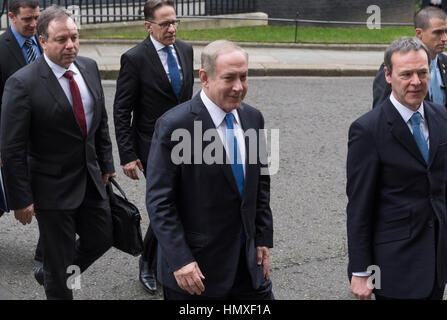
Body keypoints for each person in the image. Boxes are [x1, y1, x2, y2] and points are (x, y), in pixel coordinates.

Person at [0, 5, 116, 300]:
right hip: (51, 189)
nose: (71, 45)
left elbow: (100, 121)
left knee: (103, 236)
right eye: (61, 39)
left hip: (90, 179)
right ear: (43, 41)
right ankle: (61, 284)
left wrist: (106, 164)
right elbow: (12, 147)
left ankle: (52, 273)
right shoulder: (23, 83)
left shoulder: (88, 67)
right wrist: (21, 198)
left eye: (74, 37)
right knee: (62, 264)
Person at [146, 40, 274, 300]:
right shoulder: (174, 126)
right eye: (229, 78)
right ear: (204, 77)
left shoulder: (252, 118)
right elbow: (160, 201)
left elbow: (260, 183)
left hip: (247, 265)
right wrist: (180, 260)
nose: (239, 87)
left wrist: (261, 237)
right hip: (195, 272)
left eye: (244, 77)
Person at [347, 36, 447, 300]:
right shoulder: (367, 130)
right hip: (393, 267)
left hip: (436, 264)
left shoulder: (442, 118)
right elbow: (359, 205)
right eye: (406, 74)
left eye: (422, 72)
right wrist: (360, 271)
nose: (416, 81)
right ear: (388, 75)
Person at [113, 0, 194, 294]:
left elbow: (189, 101)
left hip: (187, 143)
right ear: (148, 26)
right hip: (151, 147)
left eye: (175, 22)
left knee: (183, 201)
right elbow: (122, 110)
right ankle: (148, 263)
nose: (172, 29)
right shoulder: (134, 58)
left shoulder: (185, 50)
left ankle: (170, 256)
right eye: (165, 24)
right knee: (167, 201)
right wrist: (128, 155)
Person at [0, 0, 41, 222]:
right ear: (11, 16)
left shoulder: (45, 41)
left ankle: (48, 247)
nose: (34, 24)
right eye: (27, 19)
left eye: (36, 17)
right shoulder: (1, 48)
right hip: (13, 137)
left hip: (43, 135)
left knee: (48, 193)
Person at [372, 6, 447, 109]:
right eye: (438, 32)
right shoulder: (396, 65)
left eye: (446, 31)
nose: (445, 38)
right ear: (419, 33)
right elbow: (381, 113)